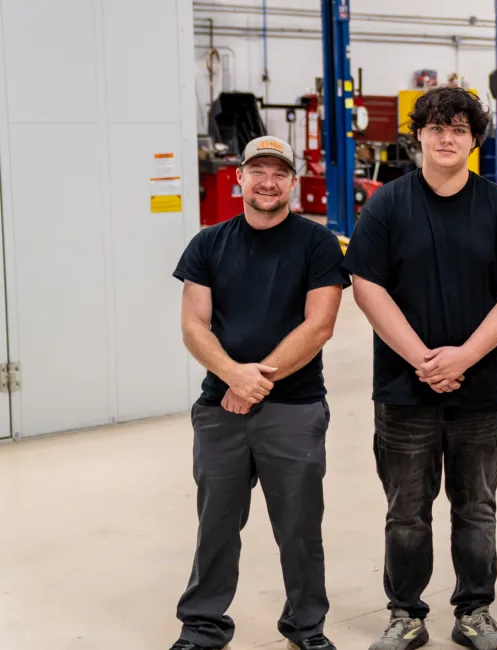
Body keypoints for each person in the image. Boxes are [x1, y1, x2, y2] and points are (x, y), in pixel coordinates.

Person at [342, 86, 497, 650]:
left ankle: (474, 612)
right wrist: (424, 362)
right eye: (435, 128)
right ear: (419, 137)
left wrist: (464, 357)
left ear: (474, 140)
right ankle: (405, 614)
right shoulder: (386, 204)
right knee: (406, 513)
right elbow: (367, 286)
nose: (446, 138)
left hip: (481, 389)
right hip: (405, 391)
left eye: (458, 129)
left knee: (476, 509)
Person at [169, 135, 348, 650]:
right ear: (240, 178)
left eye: (279, 173)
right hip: (220, 409)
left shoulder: (316, 244)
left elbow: (319, 326)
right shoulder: (208, 243)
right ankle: (202, 625)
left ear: (293, 182)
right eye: (258, 171)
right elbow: (193, 326)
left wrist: (255, 383)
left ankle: (305, 627)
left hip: (293, 408)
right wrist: (233, 377)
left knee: (298, 525)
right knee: (216, 523)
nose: (268, 182)